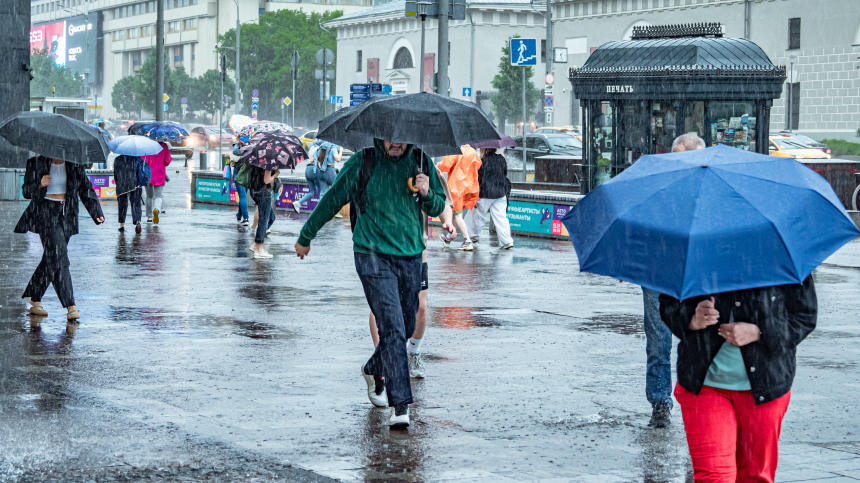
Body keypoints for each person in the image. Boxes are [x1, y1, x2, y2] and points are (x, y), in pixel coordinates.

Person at [295, 139, 451, 428]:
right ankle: (400, 404)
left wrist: (428, 193)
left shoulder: (420, 160)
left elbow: (439, 205)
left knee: (405, 323)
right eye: (389, 137)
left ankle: (373, 367)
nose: (395, 143)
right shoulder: (364, 161)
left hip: (410, 255)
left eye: (400, 137)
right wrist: (306, 236)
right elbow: (332, 199)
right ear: (378, 134)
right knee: (391, 325)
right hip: (371, 253)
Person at [659, 278, 817, 482]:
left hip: (765, 387)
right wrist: (691, 318)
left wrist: (759, 332)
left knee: (755, 476)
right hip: (704, 384)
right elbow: (668, 302)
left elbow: (804, 316)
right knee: (714, 476)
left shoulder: (779, 258)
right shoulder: (698, 253)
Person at [643, 133, 706, 429]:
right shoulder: (659, 186)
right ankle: (660, 401)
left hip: (698, 271)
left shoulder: (710, 190)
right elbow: (641, 225)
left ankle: (700, 398)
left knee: (701, 335)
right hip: (658, 270)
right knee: (658, 339)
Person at [369, 163, 456, 379]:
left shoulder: (425, 165)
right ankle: (384, 359)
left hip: (416, 249)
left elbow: (443, 202)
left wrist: (448, 222)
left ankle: (413, 353)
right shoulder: (378, 163)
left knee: (421, 308)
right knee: (381, 306)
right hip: (382, 246)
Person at [15, 156, 105, 321]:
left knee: (52, 259)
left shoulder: (74, 164)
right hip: (45, 214)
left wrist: (96, 211)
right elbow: (26, 191)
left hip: (67, 216)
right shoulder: (36, 163)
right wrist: (39, 183)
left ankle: (34, 300)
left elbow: (85, 188)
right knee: (59, 256)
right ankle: (71, 306)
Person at [437, 145, 481, 250]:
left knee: (457, 216)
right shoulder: (472, 152)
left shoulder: (457, 150)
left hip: (456, 187)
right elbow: (477, 166)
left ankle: (467, 240)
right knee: (454, 214)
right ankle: (448, 239)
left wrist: (435, 165)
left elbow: (446, 165)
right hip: (468, 187)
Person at [469, 147, 513, 249]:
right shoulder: (501, 159)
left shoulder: (482, 161)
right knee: (501, 217)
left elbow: (478, 178)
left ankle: (473, 236)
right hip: (500, 193)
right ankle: (507, 241)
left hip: (486, 193)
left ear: (484, 149)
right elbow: (504, 173)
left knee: (479, 215)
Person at [292, 140, 343, 215]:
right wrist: (341, 150)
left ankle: (320, 212)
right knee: (337, 189)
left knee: (322, 192)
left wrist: (322, 159)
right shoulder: (333, 147)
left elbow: (312, 160)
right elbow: (338, 159)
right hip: (330, 170)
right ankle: (334, 211)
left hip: (321, 171)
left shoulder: (321, 148)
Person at [248, 163, 279, 258]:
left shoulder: (257, 158)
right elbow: (266, 180)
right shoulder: (269, 160)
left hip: (254, 190)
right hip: (263, 192)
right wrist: (275, 174)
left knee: (271, 217)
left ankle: (257, 243)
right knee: (263, 220)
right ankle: (259, 249)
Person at [142, 141, 171, 225]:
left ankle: (149, 218)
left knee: (149, 196)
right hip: (159, 173)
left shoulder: (146, 145)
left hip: (148, 174)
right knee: (158, 196)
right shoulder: (164, 146)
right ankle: (157, 209)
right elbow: (167, 161)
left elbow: (143, 160)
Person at [113, 154, 143, 234]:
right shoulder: (136, 158)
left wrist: (119, 183)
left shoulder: (117, 159)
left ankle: (122, 226)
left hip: (122, 185)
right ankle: (138, 222)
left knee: (122, 205)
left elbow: (115, 174)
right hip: (135, 184)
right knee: (136, 203)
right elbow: (139, 173)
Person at [230, 137, 249, 226]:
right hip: (248, 173)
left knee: (242, 196)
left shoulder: (239, 146)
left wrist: (237, 143)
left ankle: (245, 218)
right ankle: (239, 215)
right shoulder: (252, 145)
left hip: (239, 172)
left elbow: (235, 151)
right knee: (243, 195)